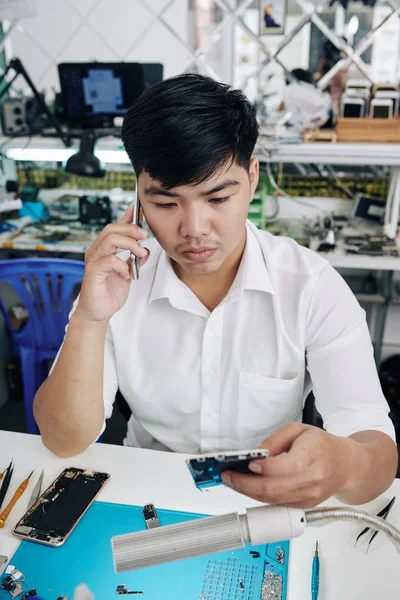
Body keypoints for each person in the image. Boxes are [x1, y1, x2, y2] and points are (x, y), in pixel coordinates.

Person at [34, 74, 397, 509]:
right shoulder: (115, 281)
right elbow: (63, 439)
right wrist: (90, 320)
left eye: (218, 199)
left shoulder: (310, 287)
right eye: (166, 204)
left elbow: (375, 448)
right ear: (138, 199)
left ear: (252, 179)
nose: (194, 230)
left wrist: (343, 464)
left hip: (268, 499)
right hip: (146, 495)